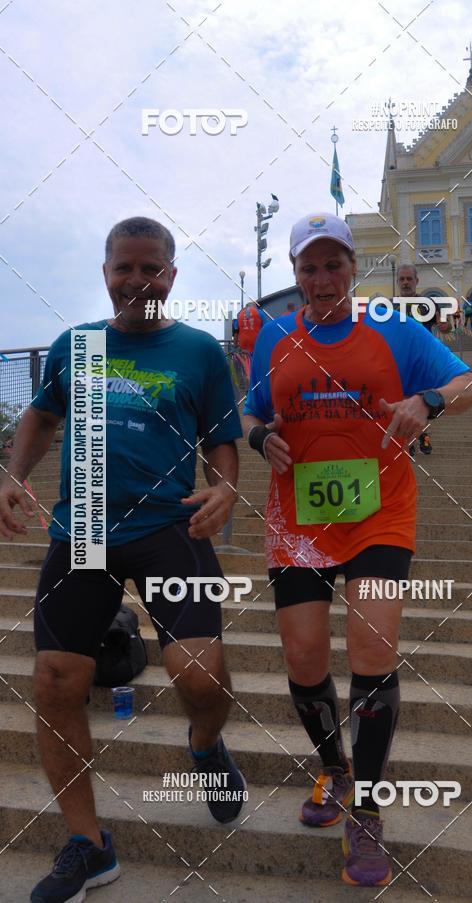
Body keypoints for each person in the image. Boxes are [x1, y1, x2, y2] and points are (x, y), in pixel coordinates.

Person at [0, 216, 246, 903]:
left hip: (171, 523)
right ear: (105, 272)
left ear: (172, 275)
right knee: (54, 678)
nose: (138, 280)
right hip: (82, 526)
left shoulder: (199, 352)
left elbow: (224, 438)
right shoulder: (74, 346)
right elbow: (41, 417)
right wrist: (14, 476)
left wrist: (225, 486)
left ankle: (204, 744)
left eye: (152, 269)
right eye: (124, 268)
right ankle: (88, 842)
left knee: (198, 674)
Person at [242, 213, 472, 887]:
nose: (322, 279)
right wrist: (261, 439)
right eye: (309, 268)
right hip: (298, 518)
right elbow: (251, 410)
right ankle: (334, 767)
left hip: (379, 511)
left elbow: (471, 384)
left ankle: (368, 809)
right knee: (303, 653)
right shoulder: (275, 338)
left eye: (333, 265)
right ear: (295, 275)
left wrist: (427, 399)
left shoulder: (393, 328)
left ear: (353, 267)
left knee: (373, 648)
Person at [397, 265, 434, 457]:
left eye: (409, 279)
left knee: (422, 401)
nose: (405, 283)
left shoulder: (426, 304)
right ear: (397, 282)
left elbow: (443, 327)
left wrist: (445, 325)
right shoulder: (390, 307)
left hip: (422, 362)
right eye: (402, 279)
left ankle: (423, 435)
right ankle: (410, 441)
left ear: (416, 281)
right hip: (401, 363)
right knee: (405, 403)